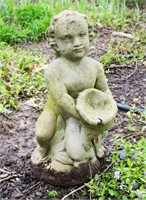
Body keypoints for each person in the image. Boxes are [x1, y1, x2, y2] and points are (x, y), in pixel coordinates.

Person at [31, 11, 116, 169]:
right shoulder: (54, 70)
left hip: (89, 108)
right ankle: (43, 147)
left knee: (102, 125)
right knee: (43, 133)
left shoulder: (95, 66)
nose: (77, 43)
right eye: (67, 38)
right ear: (55, 41)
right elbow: (62, 99)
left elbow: (105, 91)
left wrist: (110, 109)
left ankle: (95, 143)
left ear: (89, 35)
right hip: (60, 110)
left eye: (82, 35)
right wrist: (85, 118)